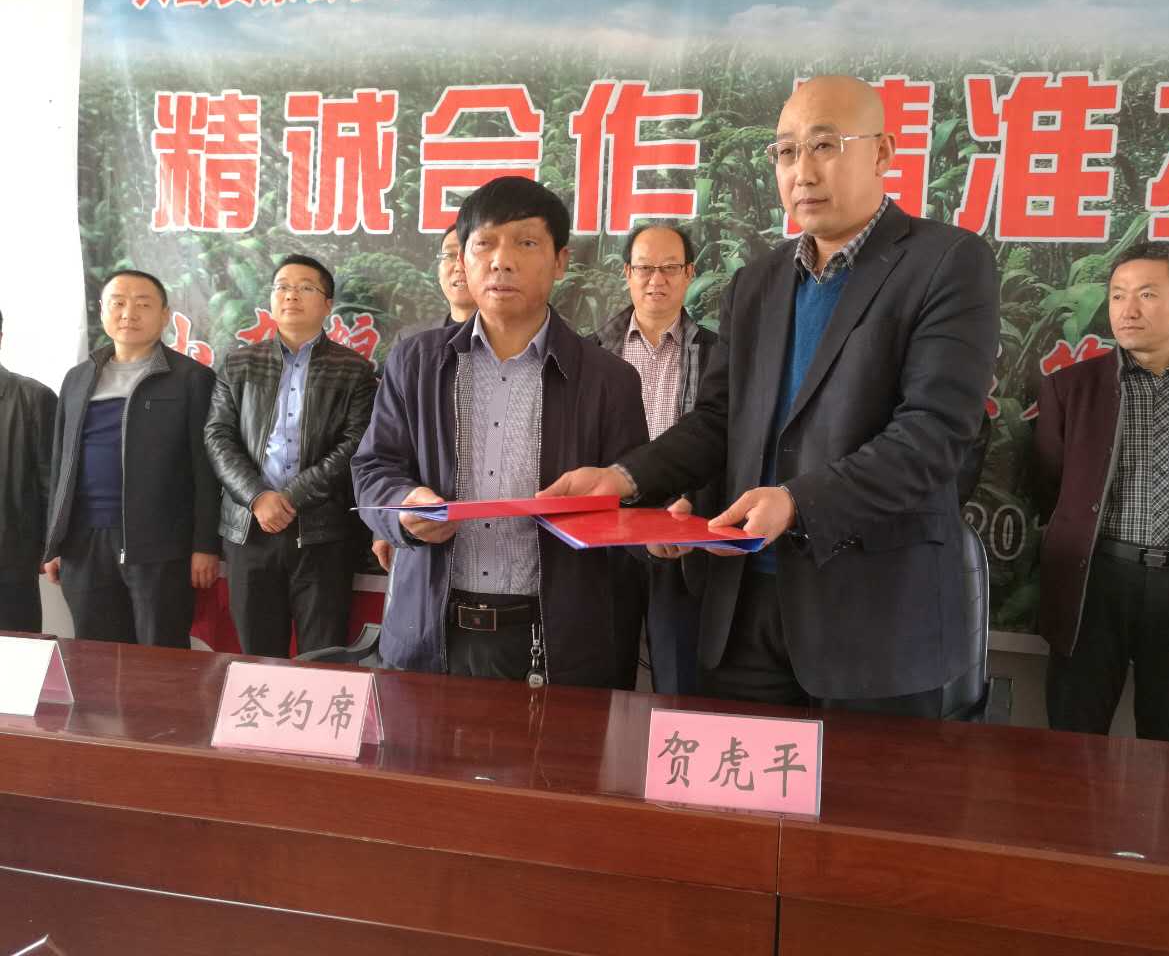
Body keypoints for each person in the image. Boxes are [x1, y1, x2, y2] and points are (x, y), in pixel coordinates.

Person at [541, 75, 999, 714]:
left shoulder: (947, 262)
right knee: (741, 776)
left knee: (866, 784)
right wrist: (623, 478)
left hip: (876, 618)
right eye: (786, 152)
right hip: (745, 610)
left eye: (825, 145)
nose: (802, 172)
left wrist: (797, 503)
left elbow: (934, 433)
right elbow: (720, 420)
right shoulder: (757, 282)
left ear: (883, 153)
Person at [351, 176, 648, 686]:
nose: (501, 261)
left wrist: (653, 527)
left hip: (556, 643)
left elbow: (631, 502)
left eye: (525, 243)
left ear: (560, 261)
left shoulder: (609, 379)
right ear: (463, 260)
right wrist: (404, 507)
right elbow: (373, 467)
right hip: (429, 633)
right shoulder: (415, 362)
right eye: (484, 244)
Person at [1035, 242, 1169, 743]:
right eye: (1118, 295)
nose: (1127, 310)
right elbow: (1051, 486)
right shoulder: (1071, 387)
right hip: (1095, 582)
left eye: (1148, 294)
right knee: (1072, 739)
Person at [204, 254, 376, 658]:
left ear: (327, 304)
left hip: (321, 532)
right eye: (282, 286)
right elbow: (218, 436)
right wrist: (258, 497)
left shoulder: (354, 370)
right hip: (250, 530)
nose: (291, 295)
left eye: (305, 288)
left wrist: (293, 496)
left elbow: (356, 443)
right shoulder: (238, 364)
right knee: (258, 656)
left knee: (322, 656)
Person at [42, 270, 220, 646]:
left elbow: (207, 469)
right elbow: (61, 464)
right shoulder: (78, 378)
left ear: (164, 314)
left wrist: (205, 545)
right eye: (118, 303)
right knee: (95, 654)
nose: (128, 313)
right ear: (102, 310)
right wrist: (55, 542)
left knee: (161, 655)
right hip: (84, 542)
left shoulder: (191, 378)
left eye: (142, 304)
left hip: (160, 543)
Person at [591, 224, 718, 693]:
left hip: (682, 534)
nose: (656, 279)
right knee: (600, 680)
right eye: (645, 268)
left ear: (689, 274)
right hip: (606, 538)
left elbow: (727, 441)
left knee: (679, 681)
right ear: (627, 273)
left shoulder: (719, 354)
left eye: (669, 268)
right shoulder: (591, 352)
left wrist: (694, 503)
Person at [371, 223, 478, 574]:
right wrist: (387, 520)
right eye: (449, 255)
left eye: (469, 253)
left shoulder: (521, 342)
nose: (458, 265)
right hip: (423, 517)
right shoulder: (411, 342)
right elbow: (388, 440)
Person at [0, 308, 58, 632]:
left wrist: (50, 547)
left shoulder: (34, 398)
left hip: (10, 559)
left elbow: (53, 482)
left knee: (16, 652)